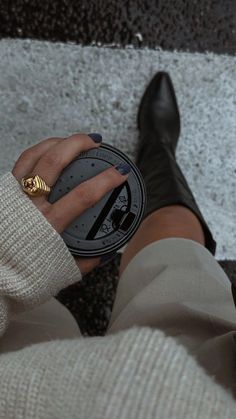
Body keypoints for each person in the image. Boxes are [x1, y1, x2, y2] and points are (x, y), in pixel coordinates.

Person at [0, 71, 235, 418]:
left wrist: (7, 265)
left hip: (16, 376)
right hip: (211, 370)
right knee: (174, 233)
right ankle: (158, 151)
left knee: (34, 315)